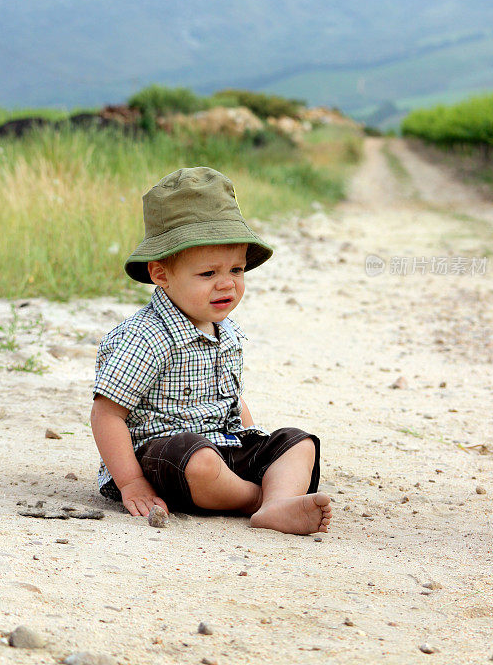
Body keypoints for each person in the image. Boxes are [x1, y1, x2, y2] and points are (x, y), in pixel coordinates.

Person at [90, 167, 332, 535]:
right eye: (208, 274)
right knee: (198, 460)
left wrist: (257, 446)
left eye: (237, 269)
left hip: (226, 449)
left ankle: (275, 502)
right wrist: (130, 482)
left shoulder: (226, 330)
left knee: (297, 443)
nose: (227, 284)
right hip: (165, 458)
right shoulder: (146, 336)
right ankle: (257, 499)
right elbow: (106, 414)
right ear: (161, 274)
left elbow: (232, 399)